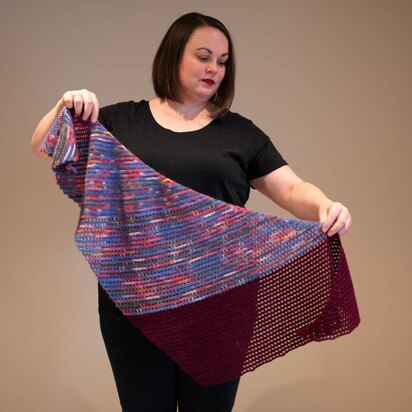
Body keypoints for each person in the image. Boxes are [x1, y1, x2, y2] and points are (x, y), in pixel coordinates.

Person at [31, 11, 351, 412]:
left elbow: (290, 189)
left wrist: (324, 205)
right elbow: (44, 144)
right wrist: (65, 104)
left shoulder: (240, 134)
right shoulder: (119, 123)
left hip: (221, 306)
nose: (214, 68)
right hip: (134, 306)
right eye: (203, 57)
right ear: (173, 55)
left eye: (222, 61)